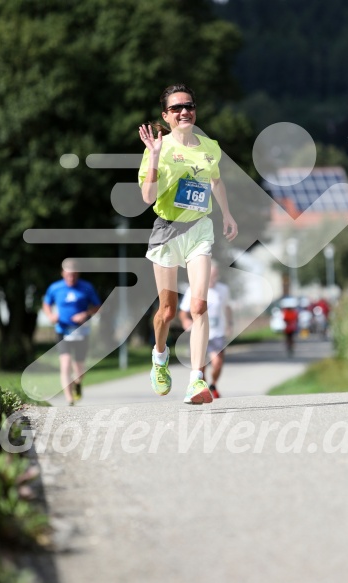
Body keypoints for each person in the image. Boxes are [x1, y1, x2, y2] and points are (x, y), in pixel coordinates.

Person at [138, 83, 237, 404]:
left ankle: (196, 380)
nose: (185, 112)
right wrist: (154, 157)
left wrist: (227, 215)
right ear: (166, 116)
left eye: (189, 106)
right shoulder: (158, 148)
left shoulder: (210, 147)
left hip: (199, 230)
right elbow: (148, 197)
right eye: (177, 108)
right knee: (167, 312)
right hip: (167, 231)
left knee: (199, 305)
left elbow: (216, 180)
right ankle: (160, 355)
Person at [43, 259, 101, 406]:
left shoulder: (86, 287)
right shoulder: (55, 288)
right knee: (65, 364)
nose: (71, 278)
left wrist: (85, 314)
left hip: (81, 331)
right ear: (63, 273)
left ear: (78, 274)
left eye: (74, 275)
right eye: (68, 275)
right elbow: (46, 303)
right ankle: (69, 398)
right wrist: (50, 316)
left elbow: (97, 306)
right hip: (62, 330)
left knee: (79, 368)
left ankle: (77, 383)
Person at [178, 260, 233, 399]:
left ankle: (213, 384)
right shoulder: (193, 289)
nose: (212, 278)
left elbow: (227, 308)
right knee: (200, 366)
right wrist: (186, 320)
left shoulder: (223, 289)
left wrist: (229, 324)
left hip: (217, 332)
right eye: (210, 275)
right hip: (199, 333)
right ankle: (205, 388)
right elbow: (183, 311)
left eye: (215, 275)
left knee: (217, 363)